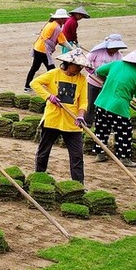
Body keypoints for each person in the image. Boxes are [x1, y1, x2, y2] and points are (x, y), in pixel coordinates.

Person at [91, 47, 136, 167]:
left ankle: (100, 154)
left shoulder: (115, 64)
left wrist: (107, 81)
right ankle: (124, 158)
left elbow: (99, 71)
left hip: (101, 103)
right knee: (124, 132)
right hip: (119, 108)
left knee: (101, 130)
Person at [30, 50, 89, 182]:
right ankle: (39, 177)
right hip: (53, 119)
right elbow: (34, 83)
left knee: (77, 156)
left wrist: (80, 116)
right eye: (77, 66)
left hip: (72, 122)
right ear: (68, 63)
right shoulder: (54, 74)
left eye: (81, 67)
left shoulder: (82, 79)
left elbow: (83, 101)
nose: (80, 69)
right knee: (44, 151)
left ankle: (78, 184)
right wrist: (49, 97)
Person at [83, 33, 128, 122]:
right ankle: (87, 123)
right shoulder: (97, 52)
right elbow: (85, 62)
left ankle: (101, 122)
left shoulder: (118, 55)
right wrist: (93, 72)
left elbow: (119, 69)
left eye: (117, 48)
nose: (115, 50)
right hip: (93, 82)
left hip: (107, 83)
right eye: (113, 48)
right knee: (91, 104)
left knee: (104, 104)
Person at [24, 8, 69, 91]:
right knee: (52, 70)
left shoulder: (51, 24)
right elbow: (63, 42)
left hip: (38, 48)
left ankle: (27, 86)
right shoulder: (57, 28)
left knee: (35, 68)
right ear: (60, 19)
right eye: (65, 19)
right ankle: (55, 88)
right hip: (43, 50)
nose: (66, 20)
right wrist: (73, 49)